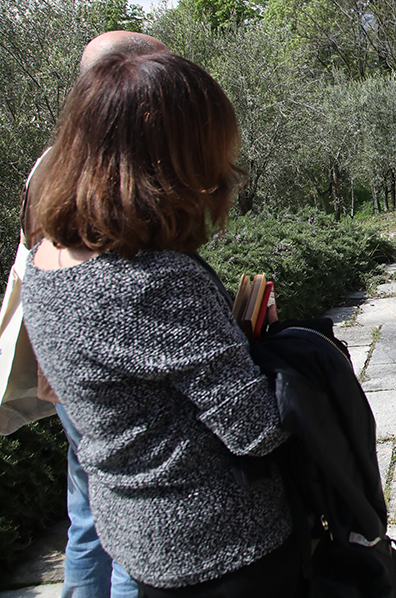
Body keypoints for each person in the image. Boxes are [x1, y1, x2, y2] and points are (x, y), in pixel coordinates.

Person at [21, 50, 300, 596]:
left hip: (136, 533)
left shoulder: (43, 258)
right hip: (223, 544)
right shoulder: (157, 280)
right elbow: (257, 430)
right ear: (173, 157)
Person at [20, 31, 168, 598]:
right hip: (116, 373)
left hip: (66, 367)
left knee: (86, 514)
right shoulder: (118, 167)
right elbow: (122, 286)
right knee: (136, 527)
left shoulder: (51, 162)